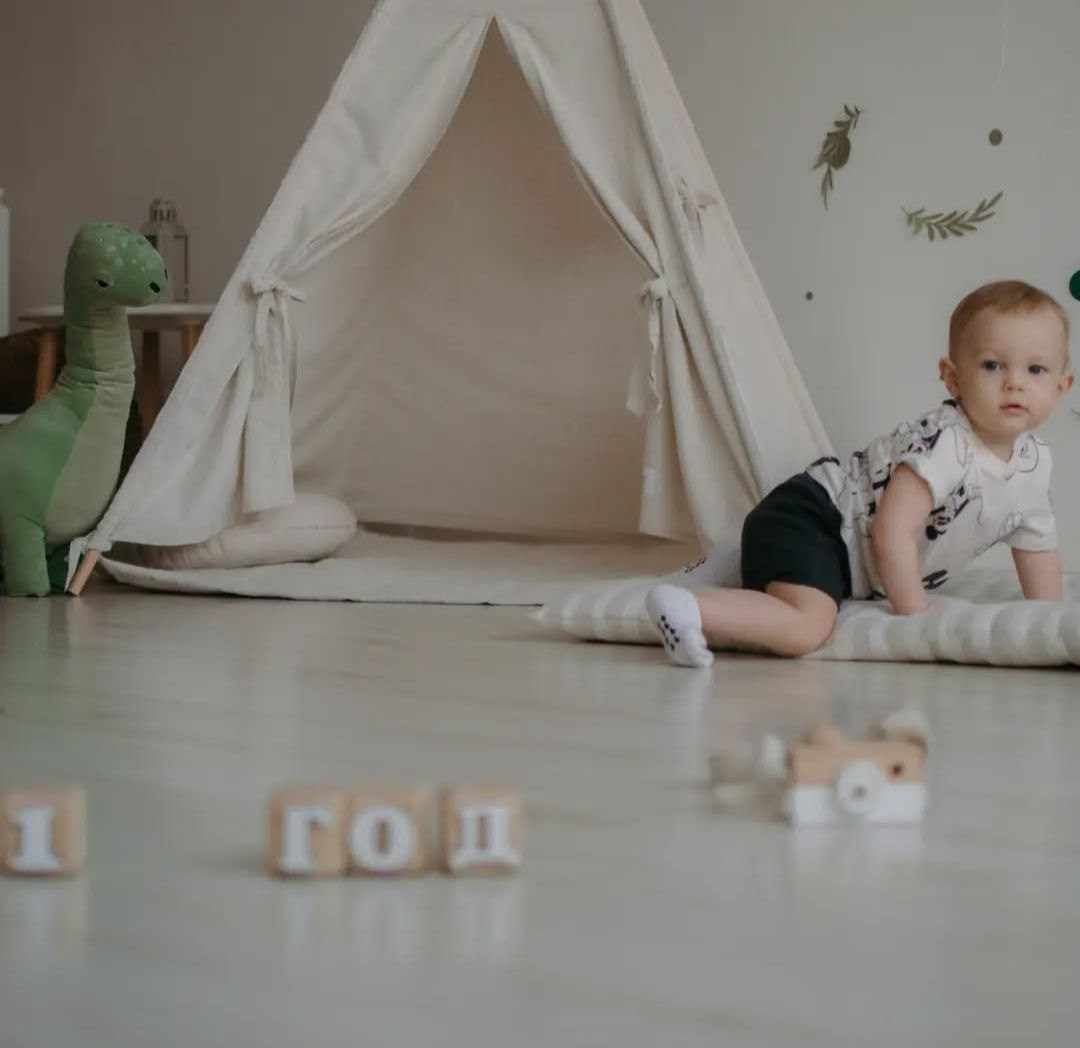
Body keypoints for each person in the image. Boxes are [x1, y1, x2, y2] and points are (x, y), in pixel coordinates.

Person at [647, 279, 1075, 667]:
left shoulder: (1033, 464)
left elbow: (1035, 543)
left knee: (814, 588)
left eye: (1035, 370)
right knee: (809, 627)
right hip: (814, 520)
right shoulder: (946, 445)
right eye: (992, 366)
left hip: (842, 555)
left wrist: (1048, 625)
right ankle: (689, 608)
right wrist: (915, 613)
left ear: (1061, 386)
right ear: (953, 378)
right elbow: (891, 529)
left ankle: (738, 563)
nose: (1014, 383)